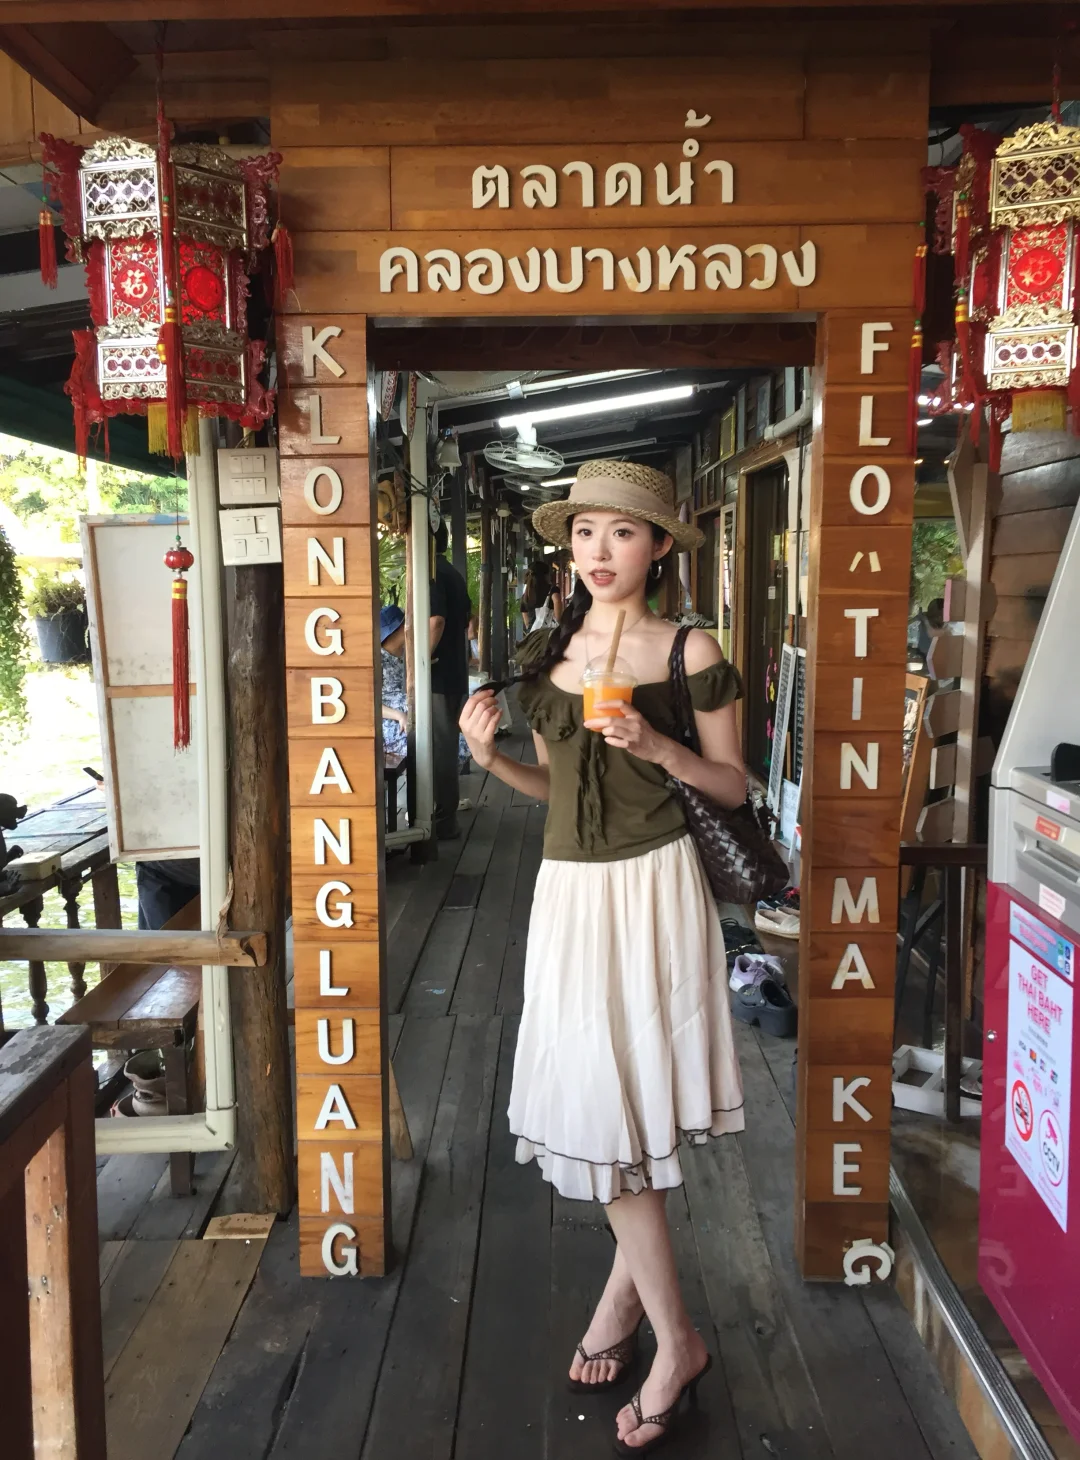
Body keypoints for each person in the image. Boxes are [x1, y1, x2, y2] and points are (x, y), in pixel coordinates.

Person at [459, 460, 747, 1455]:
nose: (599, 551)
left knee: (627, 1103)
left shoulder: (690, 649)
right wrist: (488, 758)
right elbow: (557, 791)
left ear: (660, 546)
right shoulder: (551, 651)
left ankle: (676, 1341)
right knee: (600, 1097)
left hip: (656, 887)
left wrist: (658, 748)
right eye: (585, 532)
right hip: (572, 894)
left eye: (622, 533)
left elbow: (734, 783)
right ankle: (630, 1306)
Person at [429, 520, 471, 839]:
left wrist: (421, 661)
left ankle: (442, 822)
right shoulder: (452, 573)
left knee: (440, 749)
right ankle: (443, 818)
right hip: (455, 671)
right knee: (445, 746)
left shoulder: (432, 573)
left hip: (439, 675)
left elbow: (436, 621)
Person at [379, 604, 408, 757]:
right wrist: (399, 716)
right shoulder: (377, 660)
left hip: (411, 717)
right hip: (391, 724)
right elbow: (368, 703)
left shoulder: (405, 653)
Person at [521, 557, 563, 632]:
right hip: (549, 632)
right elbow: (557, 600)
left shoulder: (527, 593)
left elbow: (525, 615)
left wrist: (530, 627)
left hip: (533, 633)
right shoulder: (552, 589)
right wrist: (559, 621)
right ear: (545, 575)